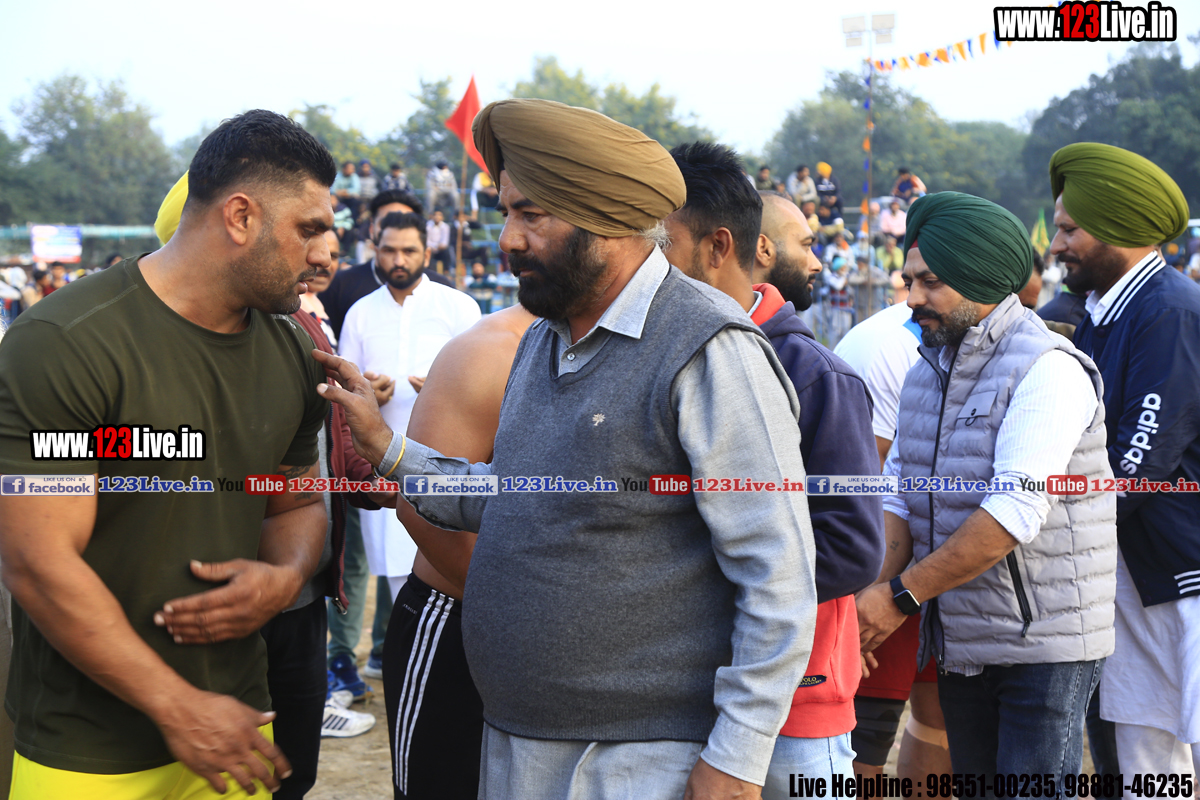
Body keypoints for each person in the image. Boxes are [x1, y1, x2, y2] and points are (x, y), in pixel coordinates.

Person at [316, 98, 819, 800]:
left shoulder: (709, 348)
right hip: (518, 741)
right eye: (506, 214)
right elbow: (516, 497)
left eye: (532, 215)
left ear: (608, 219)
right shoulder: (545, 341)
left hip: (641, 762)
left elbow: (778, 575)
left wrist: (737, 757)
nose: (509, 240)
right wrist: (389, 448)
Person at [0, 109, 336, 798]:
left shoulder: (293, 351)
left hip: (238, 731)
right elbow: (37, 562)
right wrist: (179, 707)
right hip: (88, 750)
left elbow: (297, 505)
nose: (324, 253)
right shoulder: (65, 342)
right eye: (308, 228)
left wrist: (284, 577)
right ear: (240, 217)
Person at [856, 191, 1117, 787]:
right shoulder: (925, 372)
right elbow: (898, 496)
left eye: (931, 282)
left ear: (981, 281)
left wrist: (897, 599)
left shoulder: (1047, 368)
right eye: (910, 281)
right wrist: (872, 602)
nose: (912, 298)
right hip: (960, 636)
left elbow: (1012, 512)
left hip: (1042, 645)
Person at [663, 143, 883, 793]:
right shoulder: (669, 356)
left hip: (797, 701)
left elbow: (851, 547)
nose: (647, 265)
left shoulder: (817, 376)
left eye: (661, 244)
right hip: (683, 687)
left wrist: (686, 583)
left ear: (719, 246)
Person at [1050, 142, 1200, 782]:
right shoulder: (1103, 313)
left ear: (1117, 230)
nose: (1056, 245)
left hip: (1182, 577)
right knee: (1150, 766)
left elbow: (1139, 461)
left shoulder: (1168, 312)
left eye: (1069, 230)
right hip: (1131, 575)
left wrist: (1043, 523)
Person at [383, 303, 536, 799]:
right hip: (458, 622)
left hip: (563, 644)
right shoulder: (489, 353)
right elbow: (422, 507)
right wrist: (528, 617)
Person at [336, 211, 481, 635]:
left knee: (453, 579)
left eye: (409, 250)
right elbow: (345, 388)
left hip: (448, 469)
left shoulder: (458, 307)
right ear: (374, 251)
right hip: (382, 470)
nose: (398, 260)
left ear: (427, 253)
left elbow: (486, 385)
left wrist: (441, 389)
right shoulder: (361, 313)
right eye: (389, 250)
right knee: (400, 580)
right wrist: (368, 394)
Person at [834, 299, 949, 783]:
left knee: (937, 721)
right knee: (863, 741)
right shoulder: (890, 345)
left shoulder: (957, 343)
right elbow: (871, 484)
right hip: (889, 572)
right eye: (915, 279)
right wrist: (871, 598)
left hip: (941, 572)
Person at [426, 210, 453, 275]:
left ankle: (446, 271)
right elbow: (427, 240)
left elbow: (445, 241)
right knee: (427, 253)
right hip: (431, 248)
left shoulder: (445, 226)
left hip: (441, 249)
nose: (437, 217)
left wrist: (439, 247)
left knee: (447, 252)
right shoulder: (427, 225)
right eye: (435, 215)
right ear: (432, 216)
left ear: (442, 217)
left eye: (439, 215)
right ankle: (429, 272)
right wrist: (434, 247)